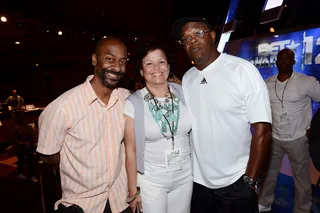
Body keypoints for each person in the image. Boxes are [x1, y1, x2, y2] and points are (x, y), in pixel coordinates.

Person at [172, 17, 272, 213]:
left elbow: (263, 129)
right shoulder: (188, 78)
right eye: (186, 39)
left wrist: (250, 180)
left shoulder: (242, 70)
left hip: (237, 181)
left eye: (198, 33)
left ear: (213, 36)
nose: (192, 41)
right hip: (199, 182)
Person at [36, 37, 131, 213]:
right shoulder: (62, 108)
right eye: (110, 59)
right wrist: (77, 167)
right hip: (82, 204)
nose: (117, 67)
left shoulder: (126, 98)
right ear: (94, 59)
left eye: (122, 61)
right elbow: (47, 154)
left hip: (120, 201)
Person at [124, 40, 193, 213]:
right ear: (141, 70)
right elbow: (130, 149)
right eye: (149, 63)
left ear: (168, 66)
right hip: (151, 180)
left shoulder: (183, 93)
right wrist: (133, 190)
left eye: (161, 62)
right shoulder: (134, 103)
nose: (156, 68)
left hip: (185, 175)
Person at [259, 48, 320, 213]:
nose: (283, 62)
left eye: (287, 59)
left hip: (298, 138)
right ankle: (264, 204)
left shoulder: (306, 82)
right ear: (276, 61)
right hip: (275, 138)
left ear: (293, 62)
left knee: (301, 179)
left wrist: (313, 128)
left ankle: (302, 209)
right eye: (280, 59)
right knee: (269, 174)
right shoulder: (267, 84)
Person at [12, 111, 38, 183]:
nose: (25, 120)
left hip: (29, 146)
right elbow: (14, 139)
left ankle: (32, 176)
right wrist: (22, 143)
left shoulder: (29, 127)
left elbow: (32, 136)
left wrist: (32, 142)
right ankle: (19, 173)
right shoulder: (15, 128)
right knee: (21, 161)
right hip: (20, 148)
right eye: (23, 118)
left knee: (31, 162)